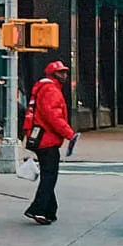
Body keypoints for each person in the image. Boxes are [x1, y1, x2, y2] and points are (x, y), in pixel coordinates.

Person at [23, 59, 76, 225]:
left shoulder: (42, 87)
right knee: (49, 176)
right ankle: (37, 209)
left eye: (65, 72)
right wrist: (69, 134)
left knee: (48, 175)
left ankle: (49, 211)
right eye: (62, 72)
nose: (65, 75)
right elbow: (53, 117)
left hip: (41, 138)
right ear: (54, 74)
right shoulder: (51, 90)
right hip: (48, 140)